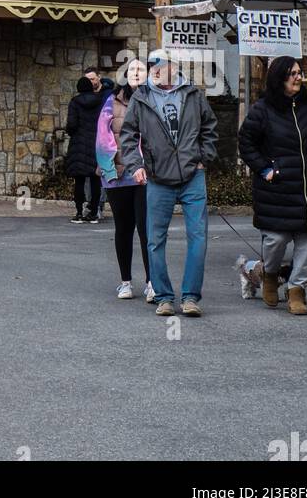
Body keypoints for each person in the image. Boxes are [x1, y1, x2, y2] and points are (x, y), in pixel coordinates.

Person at [120, 49, 218, 318]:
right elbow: (128, 135)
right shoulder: (141, 98)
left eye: (159, 63)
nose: (154, 68)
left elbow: (209, 127)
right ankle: (163, 297)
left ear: (174, 66)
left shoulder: (193, 95)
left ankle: (190, 297)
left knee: (198, 238)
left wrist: (204, 158)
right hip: (158, 177)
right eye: (151, 63)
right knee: (154, 240)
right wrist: (135, 166)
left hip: (192, 176)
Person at [238, 56, 307, 316]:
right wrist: (265, 169)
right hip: (277, 188)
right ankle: (269, 274)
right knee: (276, 239)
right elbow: (246, 143)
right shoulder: (262, 109)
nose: (298, 77)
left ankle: (296, 290)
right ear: (279, 78)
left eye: (299, 72)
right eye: (292, 73)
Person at [96, 59, 153, 300]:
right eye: (132, 69)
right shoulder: (112, 101)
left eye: (141, 69)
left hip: (146, 176)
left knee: (146, 229)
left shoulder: (155, 100)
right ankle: (126, 282)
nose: (136, 73)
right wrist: (109, 171)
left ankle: (152, 282)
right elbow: (102, 137)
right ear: (125, 75)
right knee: (123, 228)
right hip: (118, 175)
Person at [65, 69, 106, 222]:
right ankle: (94, 212)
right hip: (96, 144)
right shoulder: (99, 101)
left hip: (78, 146)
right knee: (95, 180)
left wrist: (71, 132)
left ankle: (79, 213)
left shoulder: (75, 102)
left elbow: (72, 124)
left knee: (79, 181)